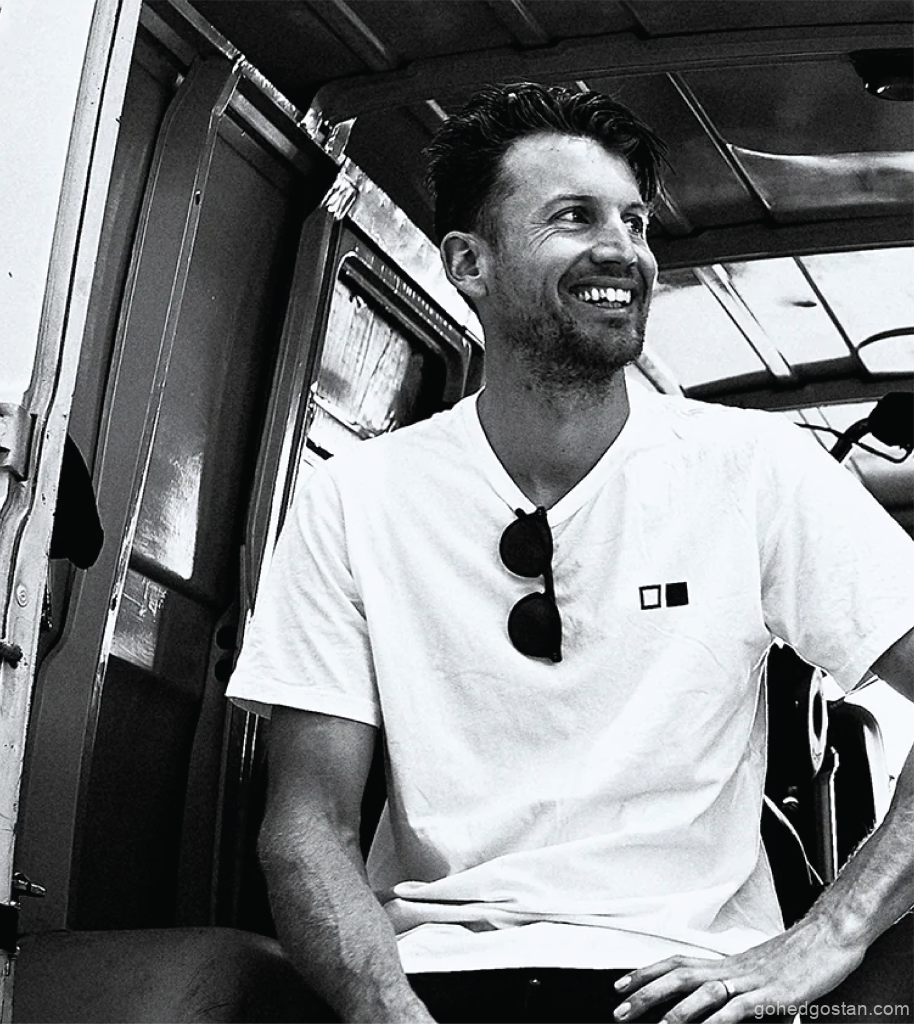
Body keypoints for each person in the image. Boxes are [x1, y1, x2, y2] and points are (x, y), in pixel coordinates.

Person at [226, 82, 914, 1023]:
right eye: (574, 217)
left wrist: (826, 937)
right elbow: (307, 826)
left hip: (684, 989)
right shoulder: (357, 498)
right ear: (468, 263)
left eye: (634, 221)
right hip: (436, 985)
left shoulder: (754, 467)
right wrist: (387, 1011)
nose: (623, 249)